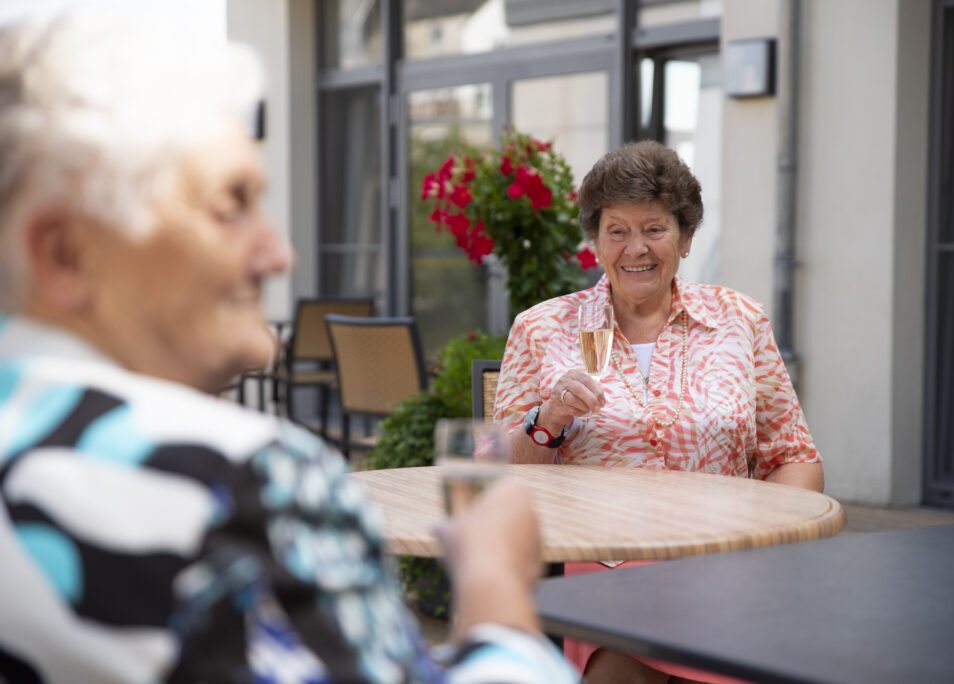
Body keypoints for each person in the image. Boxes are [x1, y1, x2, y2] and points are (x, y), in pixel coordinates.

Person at [0, 11, 577, 684]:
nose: (279, 253)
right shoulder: (238, 485)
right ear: (68, 254)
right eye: (230, 206)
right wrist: (495, 586)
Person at [493, 140, 824, 683]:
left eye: (654, 228)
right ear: (596, 242)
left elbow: (797, 458)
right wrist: (547, 419)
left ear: (687, 238)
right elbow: (497, 476)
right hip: (606, 567)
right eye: (616, 230)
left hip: (726, 564)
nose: (635, 248)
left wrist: (758, 545)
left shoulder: (740, 321)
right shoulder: (543, 328)